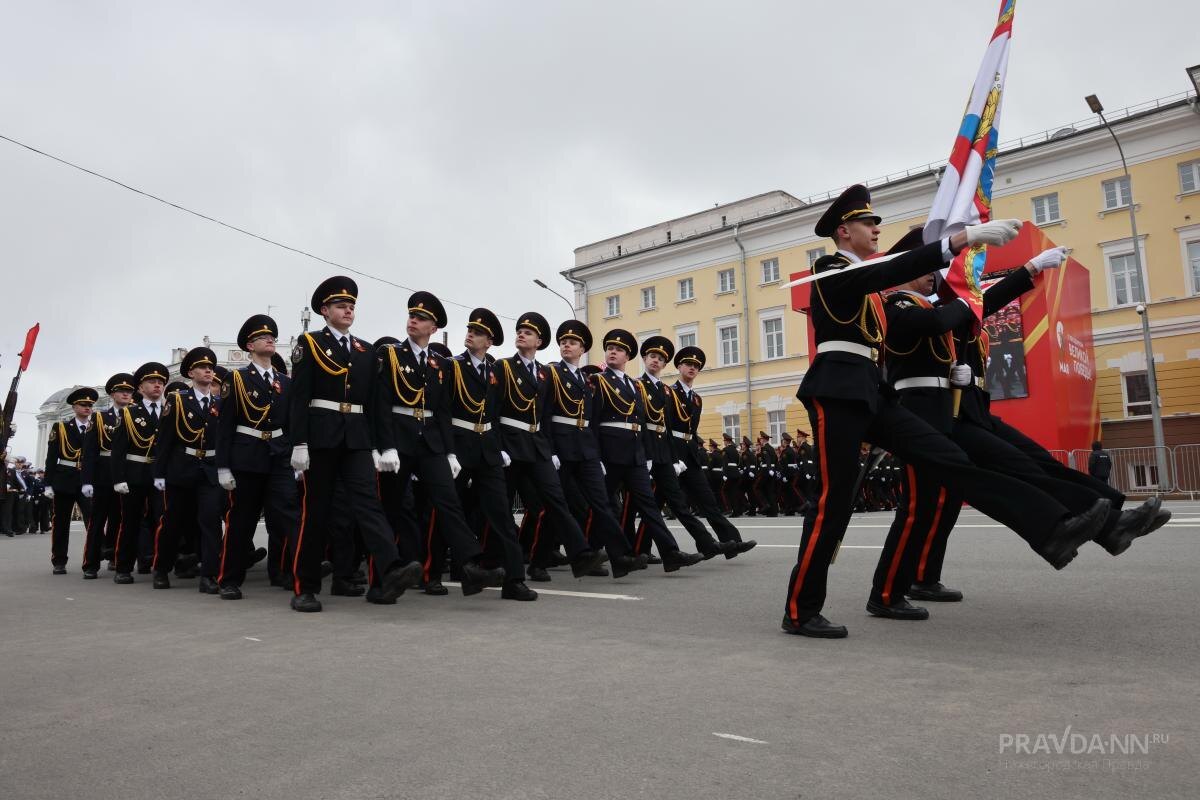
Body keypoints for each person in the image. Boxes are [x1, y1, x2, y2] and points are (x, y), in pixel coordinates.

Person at [781, 184, 1107, 639]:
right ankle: (800, 610)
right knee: (835, 504)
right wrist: (962, 238)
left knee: (950, 459)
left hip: (873, 392)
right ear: (843, 230)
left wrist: (1016, 270)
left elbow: (931, 298)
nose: (876, 229)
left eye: (877, 222)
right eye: (868, 223)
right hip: (836, 391)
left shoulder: (868, 281)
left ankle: (1051, 529)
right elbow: (893, 270)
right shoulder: (830, 270)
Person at [287, 276, 423, 612]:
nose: (348, 310)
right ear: (324, 310)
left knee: (368, 503)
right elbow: (298, 398)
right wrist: (299, 443)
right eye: (340, 306)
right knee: (316, 512)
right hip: (321, 436)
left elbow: (376, 403)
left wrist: (383, 445)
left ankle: (391, 568)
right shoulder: (310, 343)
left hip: (358, 437)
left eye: (351, 306)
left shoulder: (366, 351)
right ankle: (305, 586)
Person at [371, 291, 506, 601]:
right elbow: (381, 404)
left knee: (449, 503)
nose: (413, 320)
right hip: (400, 441)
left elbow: (443, 411)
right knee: (390, 508)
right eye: (411, 316)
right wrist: (384, 446)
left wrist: (449, 452)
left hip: (430, 441)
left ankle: (471, 567)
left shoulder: (438, 364)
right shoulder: (391, 355)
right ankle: (381, 580)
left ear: (433, 327)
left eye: (421, 318)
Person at [492, 311, 607, 583]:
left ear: (539, 341)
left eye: (528, 332)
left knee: (556, 501)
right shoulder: (503, 366)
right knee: (500, 506)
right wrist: (497, 446)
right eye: (519, 330)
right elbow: (493, 410)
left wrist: (549, 450)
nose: (521, 334)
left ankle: (580, 553)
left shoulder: (544, 374)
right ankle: (489, 561)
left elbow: (543, 414)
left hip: (537, 446)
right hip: (509, 445)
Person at [592, 329, 702, 573]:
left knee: (649, 505)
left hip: (635, 454)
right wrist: (596, 456)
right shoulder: (598, 380)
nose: (613, 351)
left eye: (618, 349)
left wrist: (646, 455)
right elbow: (593, 420)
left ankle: (670, 553)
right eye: (610, 348)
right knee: (602, 506)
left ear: (627, 357)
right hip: (609, 453)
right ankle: (591, 552)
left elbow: (640, 423)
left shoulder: (633, 385)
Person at [544, 319, 645, 578]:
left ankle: (620, 557)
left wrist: (596, 455)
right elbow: (545, 414)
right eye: (564, 341)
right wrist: (551, 450)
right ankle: (538, 559)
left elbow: (590, 418)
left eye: (573, 342)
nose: (567, 345)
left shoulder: (587, 380)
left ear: (582, 349)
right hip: (561, 448)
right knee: (557, 506)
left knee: (602, 504)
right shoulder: (552, 373)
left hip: (585, 448)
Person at [214, 315, 301, 599]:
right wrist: (223, 467)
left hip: (278, 457)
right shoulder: (236, 378)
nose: (270, 340)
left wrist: (295, 454)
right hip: (247, 457)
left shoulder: (285, 383)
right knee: (241, 522)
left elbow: (290, 424)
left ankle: (298, 572)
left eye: (272, 337)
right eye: (263, 337)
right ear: (250, 346)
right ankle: (229, 579)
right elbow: (225, 426)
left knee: (290, 516)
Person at [669, 346, 755, 553]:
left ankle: (732, 543)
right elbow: (665, 428)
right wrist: (671, 457)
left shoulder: (697, 399)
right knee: (657, 505)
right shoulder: (669, 393)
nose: (692, 368)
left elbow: (692, 430)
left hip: (690, 455)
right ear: (679, 366)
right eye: (688, 364)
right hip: (672, 453)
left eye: (696, 366)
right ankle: (637, 548)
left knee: (708, 501)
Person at [151, 347, 224, 592]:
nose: (208, 371)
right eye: (203, 368)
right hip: (181, 469)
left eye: (211, 368)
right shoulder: (178, 400)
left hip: (209, 470)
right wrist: (159, 473)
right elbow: (165, 440)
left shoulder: (220, 403)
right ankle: (161, 569)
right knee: (173, 523)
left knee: (211, 522)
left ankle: (209, 575)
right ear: (191, 372)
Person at [111, 362, 169, 583]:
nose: (157, 385)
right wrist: (118, 478)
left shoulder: (170, 410)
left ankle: (157, 565)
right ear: (140, 388)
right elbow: (118, 450)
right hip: (135, 473)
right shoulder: (128, 413)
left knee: (161, 521)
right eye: (151, 382)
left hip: (160, 475)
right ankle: (123, 567)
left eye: (161, 382)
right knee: (130, 522)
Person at [80, 373, 135, 578]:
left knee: (122, 520)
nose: (126, 394)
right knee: (97, 522)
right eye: (122, 391)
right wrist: (86, 480)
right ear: (112, 394)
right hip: (104, 475)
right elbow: (90, 452)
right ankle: (91, 564)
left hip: (128, 473)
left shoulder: (136, 415)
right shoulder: (100, 417)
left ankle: (117, 558)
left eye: (129, 391)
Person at [44, 387, 97, 573]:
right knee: (61, 523)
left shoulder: (95, 428)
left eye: (90, 405)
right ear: (74, 406)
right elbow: (51, 458)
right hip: (65, 478)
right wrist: (48, 483)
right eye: (83, 404)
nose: (87, 408)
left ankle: (91, 560)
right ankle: (59, 561)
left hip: (88, 480)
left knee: (92, 522)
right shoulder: (61, 428)